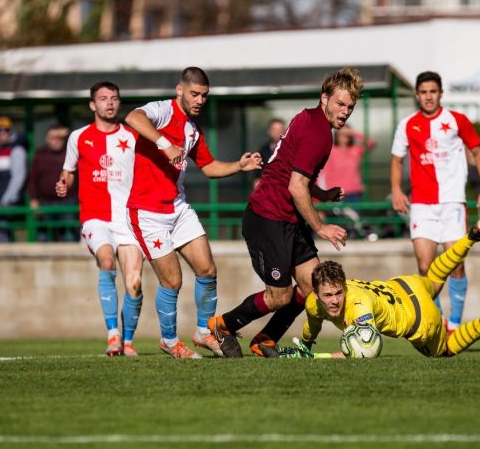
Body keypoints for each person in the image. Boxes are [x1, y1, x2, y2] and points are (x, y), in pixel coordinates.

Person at [208, 67, 363, 358]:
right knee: (280, 297)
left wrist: (322, 194)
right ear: (324, 98)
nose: (345, 112)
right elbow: (295, 186)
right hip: (267, 218)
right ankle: (221, 326)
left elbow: (293, 174)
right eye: (340, 104)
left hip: (287, 219)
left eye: (350, 107)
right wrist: (321, 227)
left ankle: (264, 340)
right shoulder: (319, 133)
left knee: (310, 287)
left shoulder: (308, 117)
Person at [125, 67, 262, 359]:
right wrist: (164, 143)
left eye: (204, 95)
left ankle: (203, 332)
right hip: (147, 213)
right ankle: (169, 340)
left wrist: (240, 166)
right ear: (180, 90)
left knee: (207, 269)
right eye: (194, 93)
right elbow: (133, 117)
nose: (200, 100)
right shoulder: (162, 110)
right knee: (172, 281)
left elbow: (210, 167)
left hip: (178, 207)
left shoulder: (192, 130)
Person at [281, 210, 480, 359]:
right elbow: (312, 324)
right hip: (407, 285)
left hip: (419, 319)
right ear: (315, 293)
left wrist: (320, 358)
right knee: (434, 278)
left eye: (339, 292)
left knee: (446, 350)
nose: (335, 300)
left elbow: (366, 350)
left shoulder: (359, 307)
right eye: (328, 295)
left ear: (345, 288)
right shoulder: (315, 303)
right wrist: (305, 345)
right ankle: (471, 237)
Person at [390, 71, 480, 334]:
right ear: (417, 95)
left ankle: (455, 325)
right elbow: (397, 158)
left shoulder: (456, 120)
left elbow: (478, 152)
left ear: (440, 94)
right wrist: (396, 189)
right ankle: (437, 323)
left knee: (455, 263)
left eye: (433, 91)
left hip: (452, 201)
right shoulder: (406, 124)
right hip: (422, 204)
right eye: (423, 92)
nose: (428, 96)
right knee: (425, 266)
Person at [56, 81, 144, 356]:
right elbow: (68, 171)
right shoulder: (78, 137)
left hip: (128, 219)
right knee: (106, 261)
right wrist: (64, 183)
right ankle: (112, 336)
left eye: (114, 98)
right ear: (93, 105)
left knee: (135, 282)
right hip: (96, 217)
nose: (110, 103)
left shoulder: (132, 137)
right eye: (103, 99)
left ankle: (127, 341)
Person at [29, 123, 78, 242]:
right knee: (43, 237)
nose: (56, 141)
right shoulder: (40, 154)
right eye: (52, 138)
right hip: (44, 203)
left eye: (59, 138)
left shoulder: (71, 152)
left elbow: (80, 178)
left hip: (68, 202)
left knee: (69, 237)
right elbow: (32, 179)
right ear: (47, 139)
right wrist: (34, 199)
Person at [0, 116, 27, 242]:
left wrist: (6, 199)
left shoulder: (17, 150)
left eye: (6, 130)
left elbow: (18, 177)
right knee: (0, 233)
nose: (2, 134)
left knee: (9, 233)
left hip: (9, 202)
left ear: (11, 131)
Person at [253, 118, 286, 190]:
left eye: (280, 130)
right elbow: (257, 177)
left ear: (285, 131)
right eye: (274, 130)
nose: (277, 132)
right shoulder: (262, 151)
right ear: (269, 131)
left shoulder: (292, 150)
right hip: (269, 188)